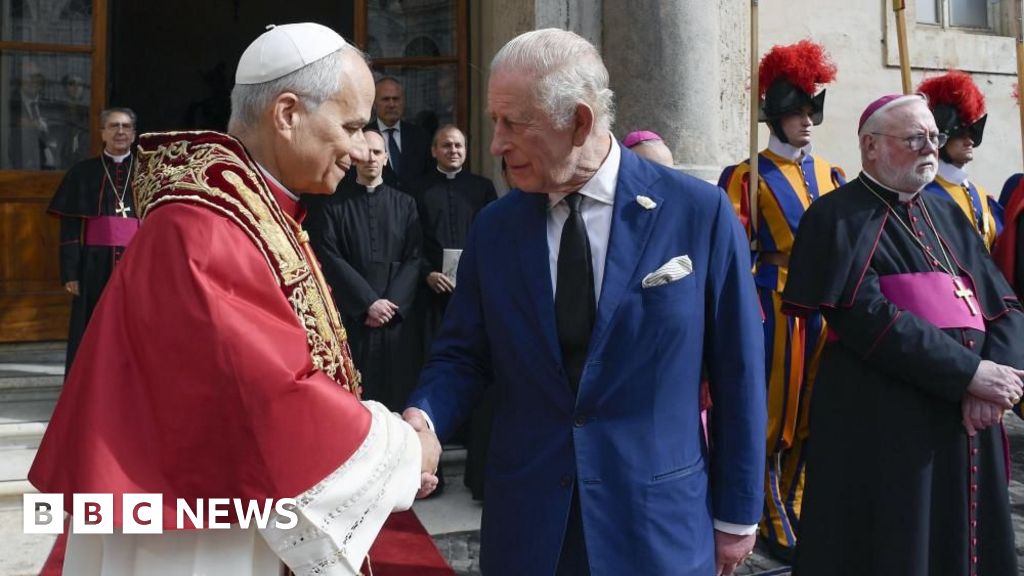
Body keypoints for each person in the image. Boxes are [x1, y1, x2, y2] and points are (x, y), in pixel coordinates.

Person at [29, 23, 440, 576]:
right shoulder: (202, 229)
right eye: (351, 125)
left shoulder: (251, 211)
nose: (362, 147)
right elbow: (272, 397)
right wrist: (404, 451)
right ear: (288, 113)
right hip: (196, 535)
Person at [405, 28, 766, 576]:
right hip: (530, 526)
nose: (497, 143)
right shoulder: (495, 228)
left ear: (579, 121)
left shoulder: (698, 214)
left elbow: (739, 371)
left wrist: (738, 514)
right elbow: (463, 353)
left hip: (656, 524)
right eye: (494, 122)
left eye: (513, 123)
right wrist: (425, 419)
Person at [783, 93, 1024, 576]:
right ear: (870, 147)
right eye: (915, 138)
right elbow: (866, 315)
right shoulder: (836, 217)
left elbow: (1005, 306)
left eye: (933, 137)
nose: (930, 148)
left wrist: (999, 382)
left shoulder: (948, 215)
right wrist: (969, 374)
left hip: (970, 422)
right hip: (887, 421)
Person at [716, 39, 845, 562]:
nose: (807, 121)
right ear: (775, 115)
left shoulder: (834, 175)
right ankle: (766, 510)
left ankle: (796, 501)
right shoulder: (746, 177)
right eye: (796, 112)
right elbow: (734, 256)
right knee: (776, 416)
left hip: (826, 312)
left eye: (812, 109)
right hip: (774, 308)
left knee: (815, 413)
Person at [312, 129, 424, 412]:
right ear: (354, 158)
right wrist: (368, 303)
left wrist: (390, 305)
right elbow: (330, 257)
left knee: (398, 395)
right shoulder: (335, 206)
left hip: (396, 320)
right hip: (355, 320)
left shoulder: (406, 204)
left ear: (386, 158)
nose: (371, 158)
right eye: (366, 153)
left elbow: (414, 257)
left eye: (377, 152)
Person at [414, 124, 497, 500]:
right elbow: (411, 242)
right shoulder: (418, 190)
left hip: (475, 293)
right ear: (433, 151)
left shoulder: (481, 188)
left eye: (459, 145)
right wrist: (427, 273)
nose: (453, 151)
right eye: (446, 145)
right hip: (432, 297)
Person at [47, 107, 141, 377]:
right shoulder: (82, 173)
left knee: (135, 326)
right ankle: (87, 388)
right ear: (102, 133)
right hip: (93, 265)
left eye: (125, 127)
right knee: (90, 327)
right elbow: (70, 227)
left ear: (134, 134)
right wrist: (70, 272)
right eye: (113, 126)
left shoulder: (149, 172)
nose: (120, 132)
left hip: (137, 263)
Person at [918, 71, 1002, 250]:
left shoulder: (980, 194)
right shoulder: (921, 195)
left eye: (972, 133)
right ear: (940, 138)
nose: (969, 140)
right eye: (961, 133)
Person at [373, 76, 433, 192]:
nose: (391, 104)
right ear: (374, 104)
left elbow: (430, 175)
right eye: (385, 99)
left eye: (396, 99)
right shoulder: (364, 136)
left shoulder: (420, 136)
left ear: (403, 102)